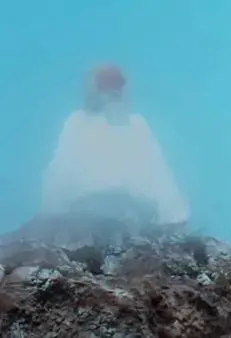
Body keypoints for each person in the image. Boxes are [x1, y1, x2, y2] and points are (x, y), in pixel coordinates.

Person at [40, 64, 190, 229]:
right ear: (94, 88)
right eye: (107, 84)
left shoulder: (137, 125)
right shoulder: (77, 122)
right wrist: (52, 213)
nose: (114, 91)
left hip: (134, 213)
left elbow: (158, 173)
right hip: (87, 215)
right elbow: (61, 172)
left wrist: (175, 216)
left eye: (118, 84)